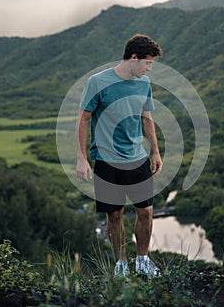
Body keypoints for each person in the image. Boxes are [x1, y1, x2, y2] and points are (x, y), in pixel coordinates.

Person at [76, 34, 163, 278]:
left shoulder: (144, 84)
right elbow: (83, 119)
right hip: (106, 160)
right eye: (148, 63)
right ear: (134, 58)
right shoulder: (97, 82)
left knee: (145, 211)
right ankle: (121, 264)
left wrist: (155, 151)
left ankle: (143, 260)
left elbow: (147, 118)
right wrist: (82, 158)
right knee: (114, 214)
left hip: (137, 158)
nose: (149, 68)